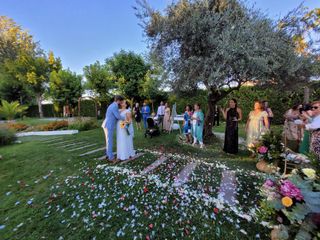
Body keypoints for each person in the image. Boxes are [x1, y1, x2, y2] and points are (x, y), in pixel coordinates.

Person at [102, 95, 125, 162]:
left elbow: (116, 113)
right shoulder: (115, 106)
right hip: (109, 125)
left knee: (108, 140)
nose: (121, 102)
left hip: (107, 124)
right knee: (110, 141)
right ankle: (111, 158)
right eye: (121, 101)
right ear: (118, 100)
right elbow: (117, 116)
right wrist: (125, 118)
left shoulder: (112, 105)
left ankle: (108, 154)